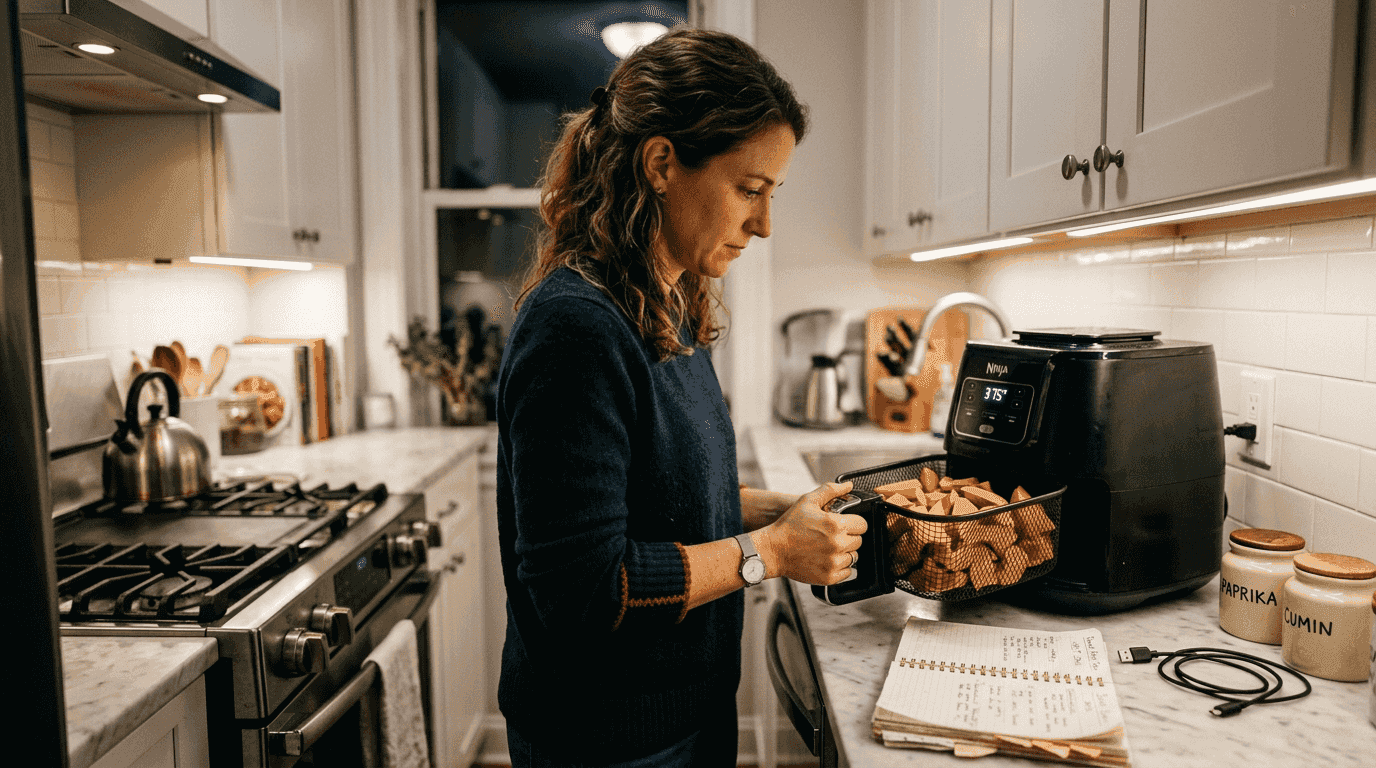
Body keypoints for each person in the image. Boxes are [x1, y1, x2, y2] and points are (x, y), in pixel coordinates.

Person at [494, 27, 866, 767]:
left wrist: (787, 509)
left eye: (771, 194)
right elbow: (588, 590)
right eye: (749, 190)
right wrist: (769, 552)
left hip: (684, 713)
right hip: (608, 741)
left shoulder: (666, 308)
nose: (763, 224)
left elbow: (662, 494)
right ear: (662, 163)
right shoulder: (576, 328)